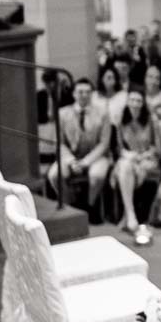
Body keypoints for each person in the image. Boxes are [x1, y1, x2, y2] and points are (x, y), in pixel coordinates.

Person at [48, 77, 112, 220]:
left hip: (95, 156)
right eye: (80, 92)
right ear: (74, 94)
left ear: (92, 94)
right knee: (54, 175)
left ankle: (89, 205)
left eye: (88, 92)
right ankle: (71, 204)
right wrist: (71, 161)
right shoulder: (63, 113)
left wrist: (85, 162)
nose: (84, 95)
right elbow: (58, 142)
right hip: (70, 156)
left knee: (97, 175)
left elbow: (104, 143)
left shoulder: (103, 113)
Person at [111, 85, 160, 235]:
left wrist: (141, 156)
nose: (135, 103)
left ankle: (128, 216)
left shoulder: (151, 119)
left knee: (130, 168)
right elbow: (118, 148)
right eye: (132, 100)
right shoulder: (120, 119)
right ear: (127, 101)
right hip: (128, 159)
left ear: (143, 102)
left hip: (147, 159)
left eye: (138, 100)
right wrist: (129, 156)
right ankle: (132, 216)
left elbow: (157, 147)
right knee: (125, 166)